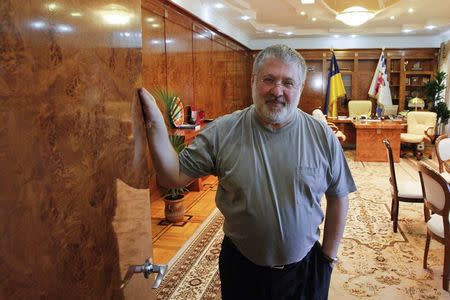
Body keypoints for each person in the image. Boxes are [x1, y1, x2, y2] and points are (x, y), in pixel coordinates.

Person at [139, 44, 356, 300]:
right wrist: (154, 123)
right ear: (253, 81)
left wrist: (327, 259)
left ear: (300, 87)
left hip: (305, 271)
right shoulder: (223, 132)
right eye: (269, 79)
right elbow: (171, 176)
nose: (277, 91)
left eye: (288, 82)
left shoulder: (322, 137)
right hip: (241, 270)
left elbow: (339, 195)